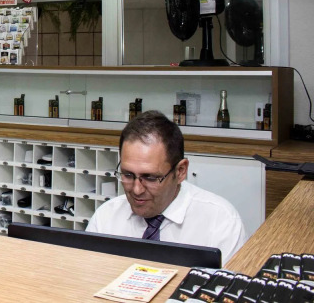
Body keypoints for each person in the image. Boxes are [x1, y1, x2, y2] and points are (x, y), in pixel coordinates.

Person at [86, 110, 247, 264]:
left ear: (180, 171)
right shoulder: (105, 219)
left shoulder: (221, 222)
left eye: (150, 178)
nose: (136, 190)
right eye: (128, 175)